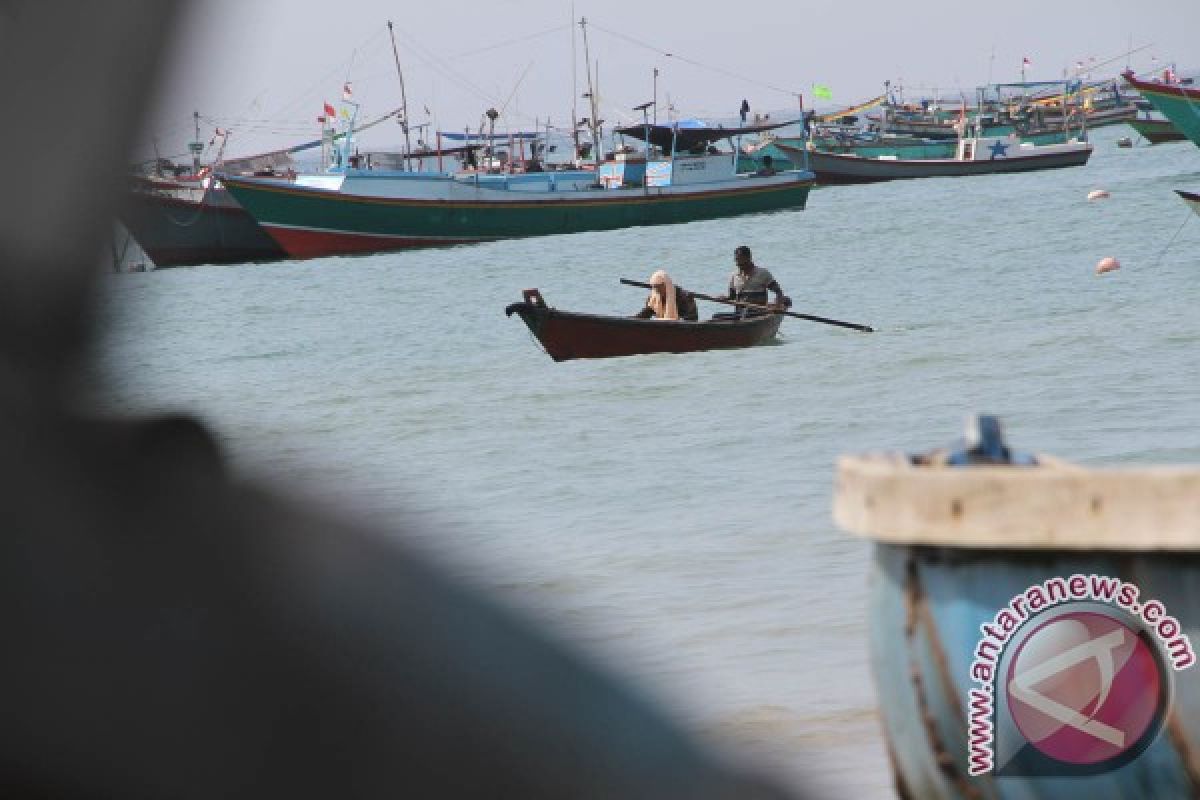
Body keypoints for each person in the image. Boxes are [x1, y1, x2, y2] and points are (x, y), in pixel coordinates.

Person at [717, 246, 791, 318]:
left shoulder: (762, 273)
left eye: (741, 261)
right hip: (739, 314)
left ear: (749, 258)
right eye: (737, 261)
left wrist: (777, 307)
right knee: (716, 316)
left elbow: (778, 292)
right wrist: (724, 298)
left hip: (758, 313)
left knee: (746, 315)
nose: (738, 264)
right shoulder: (734, 276)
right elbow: (732, 297)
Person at [634, 270, 699, 321]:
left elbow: (692, 318)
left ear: (666, 285)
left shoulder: (684, 297)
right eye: (654, 287)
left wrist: (679, 320)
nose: (657, 290)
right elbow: (644, 315)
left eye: (659, 287)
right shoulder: (653, 299)